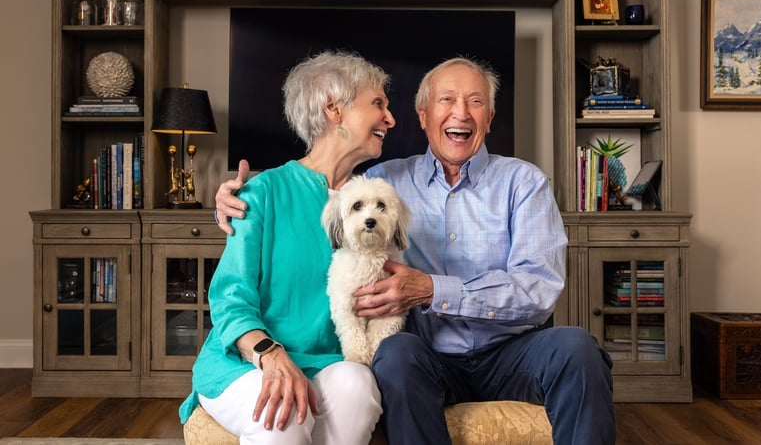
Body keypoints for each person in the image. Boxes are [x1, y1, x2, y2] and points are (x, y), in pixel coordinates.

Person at [216, 57, 616, 444]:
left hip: (512, 351)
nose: (461, 113)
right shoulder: (382, 183)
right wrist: (237, 198)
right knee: (396, 354)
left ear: (490, 118)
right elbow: (324, 196)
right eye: (446, 100)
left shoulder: (524, 183)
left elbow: (539, 289)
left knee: (577, 348)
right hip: (427, 356)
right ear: (423, 116)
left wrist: (432, 289)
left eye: (476, 102)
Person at [180, 50, 397, 444]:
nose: (390, 118)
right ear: (334, 109)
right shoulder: (264, 192)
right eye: (378, 104)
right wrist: (269, 354)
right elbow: (231, 298)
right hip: (247, 360)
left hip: (327, 362)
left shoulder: (372, 200)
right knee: (284, 415)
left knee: (359, 388)